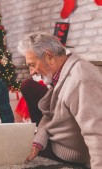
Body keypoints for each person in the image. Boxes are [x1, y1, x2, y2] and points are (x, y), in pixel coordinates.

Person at [17, 32, 102, 168]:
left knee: (15, 144)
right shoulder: (61, 73)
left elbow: (97, 132)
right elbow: (49, 113)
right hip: (58, 135)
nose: (31, 71)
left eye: (33, 64)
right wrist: (38, 142)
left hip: (69, 152)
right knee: (27, 85)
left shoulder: (81, 79)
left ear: (50, 56)